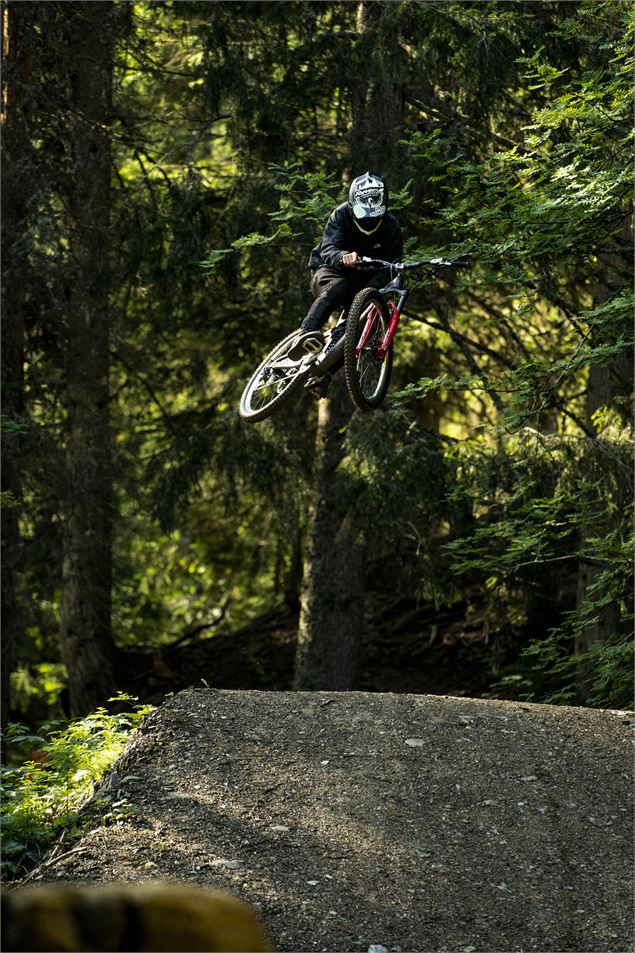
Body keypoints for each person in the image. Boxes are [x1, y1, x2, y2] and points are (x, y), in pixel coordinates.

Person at [288, 172, 403, 377]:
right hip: (328, 270)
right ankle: (305, 334)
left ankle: (325, 374)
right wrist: (343, 257)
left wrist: (371, 292)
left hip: (362, 284)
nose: (369, 220)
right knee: (338, 288)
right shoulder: (340, 214)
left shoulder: (391, 226)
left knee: (358, 327)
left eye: (374, 214)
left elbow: (391, 266)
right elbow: (328, 247)